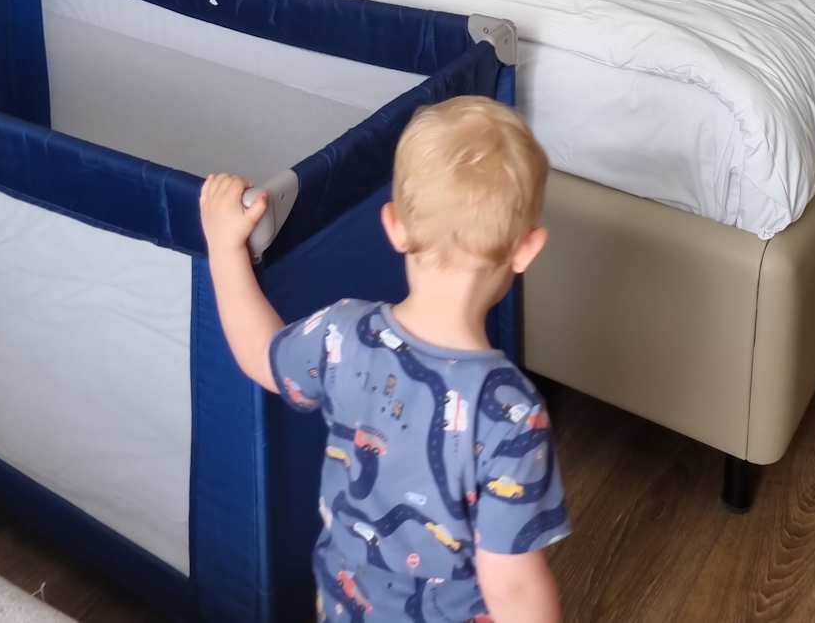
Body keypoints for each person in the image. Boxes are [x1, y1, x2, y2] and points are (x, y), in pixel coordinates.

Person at [200, 94, 568, 622]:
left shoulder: (342, 333)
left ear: (394, 225)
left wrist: (224, 249)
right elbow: (511, 586)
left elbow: (261, 355)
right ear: (527, 249)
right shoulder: (511, 414)